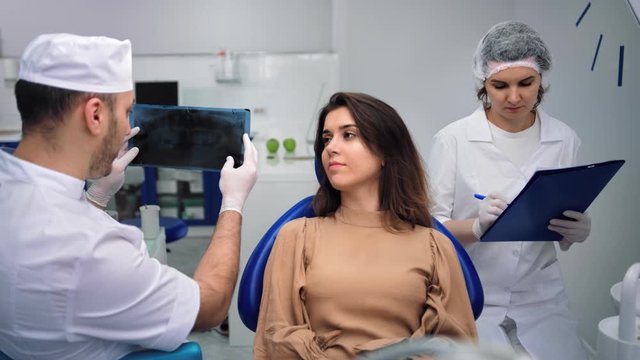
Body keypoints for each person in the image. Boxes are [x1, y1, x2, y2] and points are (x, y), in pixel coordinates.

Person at [0, 33, 258, 359]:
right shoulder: (90, 252)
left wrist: (96, 197)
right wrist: (232, 202)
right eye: (126, 112)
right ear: (95, 115)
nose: (129, 128)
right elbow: (210, 306)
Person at [253, 92, 477, 359]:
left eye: (348, 135)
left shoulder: (435, 245)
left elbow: (455, 346)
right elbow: (278, 338)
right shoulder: (296, 236)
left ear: (385, 151)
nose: (331, 148)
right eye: (327, 138)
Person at [427, 21, 590, 360]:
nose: (514, 97)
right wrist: (474, 227)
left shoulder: (565, 139)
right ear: (483, 83)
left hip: (542, 298)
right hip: (471, 294)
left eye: (526, 83)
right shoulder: (452, 140)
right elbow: (428, 230)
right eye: (500, 85)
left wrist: (577, 231)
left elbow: (562, 223)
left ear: (541, 79)